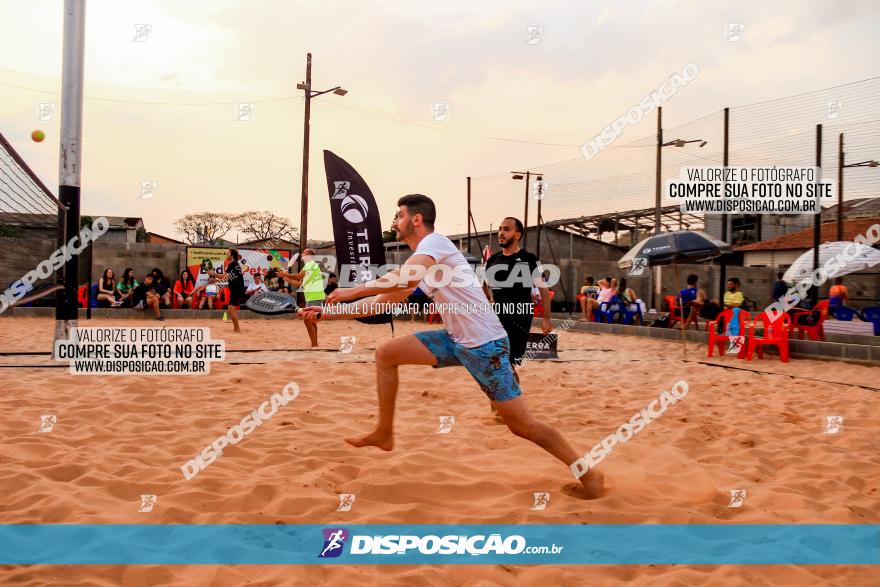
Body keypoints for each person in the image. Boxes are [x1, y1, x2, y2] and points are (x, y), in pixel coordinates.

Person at [303, 194, 603, 499]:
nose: (394, 221)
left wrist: (351, 291)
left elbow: (404, 276)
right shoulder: (425, 260)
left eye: (399, 215)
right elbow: (380, 304)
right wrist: (325, 313)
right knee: (386, 353)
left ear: (416, 220)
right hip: (457, 341)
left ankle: (590, 474)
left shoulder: (436, 243)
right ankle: (384, 432)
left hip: (485, 347)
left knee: (523, 426)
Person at [484, 216, 552, 371]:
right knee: (495, 362)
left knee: (508, 364)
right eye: (500, 229)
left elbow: (544, 290)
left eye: (506, 229)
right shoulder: (493, 260)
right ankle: (508, 394)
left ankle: (512, 394)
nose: (501, 233)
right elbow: (482, 285)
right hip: (497, 316)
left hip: (519, 317)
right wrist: (488, 302)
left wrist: (546, 318)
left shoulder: (529, 259)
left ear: (517, 235)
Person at [279, 248, 325, 347]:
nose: (302, 255)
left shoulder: (310, 264)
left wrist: (285, 274)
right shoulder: (311, 267)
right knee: (311, 321)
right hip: (314, 296)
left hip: (315, 296)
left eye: (304, 253)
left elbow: (297, 276)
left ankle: (314, 345)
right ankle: (315, 344)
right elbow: (300, 283)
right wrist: (285, 277)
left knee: (307, 320)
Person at [208, 249, 246, 333]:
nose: (226, 254)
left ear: (232, 255)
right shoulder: (231, 265)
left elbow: (223, 277)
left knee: (231, 309)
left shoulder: (234, 265)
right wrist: (215, 280)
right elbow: (227, 278)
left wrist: (213, 274)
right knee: (231, 309)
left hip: (237, 290)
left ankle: (237, 329)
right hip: (234, 290)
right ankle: (236, 328)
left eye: (228, 253)